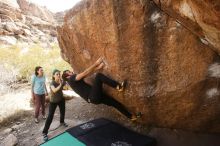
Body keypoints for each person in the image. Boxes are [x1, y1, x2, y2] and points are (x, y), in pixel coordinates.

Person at [62, 58, 141, 121]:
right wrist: (96, 63)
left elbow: (87, 74)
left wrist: (97, 68)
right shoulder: (71, 79)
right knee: (99, 76)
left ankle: (131, 117)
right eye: (69, 72)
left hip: (94, 98)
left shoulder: (73, 83)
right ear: (67, 76)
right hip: (93, 96)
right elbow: (85, 72)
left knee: (114, 103)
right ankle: (118, 87)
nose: (72, 72)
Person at [42, 69, 68, 141]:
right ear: (53, 75)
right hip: (53, 101)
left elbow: (65, 88)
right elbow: (54, 90)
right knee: (50, 116)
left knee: (63, 112)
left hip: (61, 99)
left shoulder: (61, 81)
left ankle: (62, 122)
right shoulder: (52, 83)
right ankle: (44, 132)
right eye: (57, 74)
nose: (58, 75)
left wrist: (64, 85)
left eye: (59, 74)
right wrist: (60, 84)